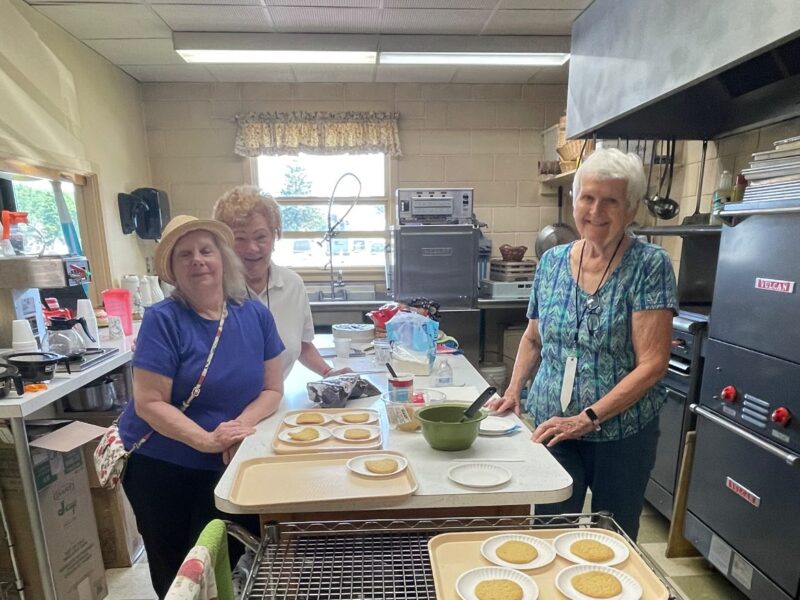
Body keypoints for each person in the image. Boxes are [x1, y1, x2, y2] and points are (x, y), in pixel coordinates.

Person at [489, 148, 677, 539]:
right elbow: (532, 337)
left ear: (631, 209)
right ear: (575, 201)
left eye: (611, 200)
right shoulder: (552, 262)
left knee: (613, 535)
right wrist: (513, 389)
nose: (596, 210)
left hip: (621, 433)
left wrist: (586, 418)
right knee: (550, 529)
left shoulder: (649, 265)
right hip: (553, 427)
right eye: (587, 198)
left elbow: (653, 364)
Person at [118, 215, 284, 598]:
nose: (198, 260)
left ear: (223, 258)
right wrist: (208, 440)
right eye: (185, 255)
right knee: (180, 571)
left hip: (231, 461)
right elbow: (148, 402)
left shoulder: (254, 313)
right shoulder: (164, 320)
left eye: (206, 250)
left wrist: (236, 428)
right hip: (163, 466)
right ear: (173, 270)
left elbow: (272, 389)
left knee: (234, 559)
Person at [213, 185, 351, 379]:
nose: (252, 248)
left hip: (276, 403)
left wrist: (328, 372)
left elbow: (301, 345)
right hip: (226, 406)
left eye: (261, 237)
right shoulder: (213, 290)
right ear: (225, 241)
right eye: (240, 239)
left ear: (275, 235)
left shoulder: (292, 285)